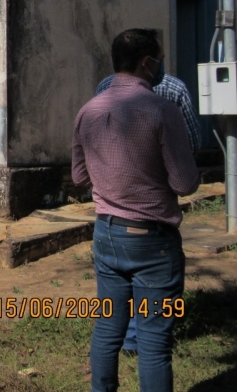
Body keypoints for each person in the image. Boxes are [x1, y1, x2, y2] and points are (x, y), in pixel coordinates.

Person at [73, 29, 199, 392]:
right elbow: (185, 183)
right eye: (158, 59)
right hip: (153, 243)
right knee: (155, 340)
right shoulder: (163, 110)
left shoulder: (88, 110)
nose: (160, 67)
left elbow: (80, 176)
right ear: (147, 63)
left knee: (108, 328)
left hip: (107, 234)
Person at [95, 70, 201, 358]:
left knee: (114, 299)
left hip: (110, 216)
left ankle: (129, 339)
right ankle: (145, 337)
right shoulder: (174, 91)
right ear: (150, 61)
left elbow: (92, 147)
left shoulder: (104, 89)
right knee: (152, 286)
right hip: (154, 214)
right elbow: (190, 146)